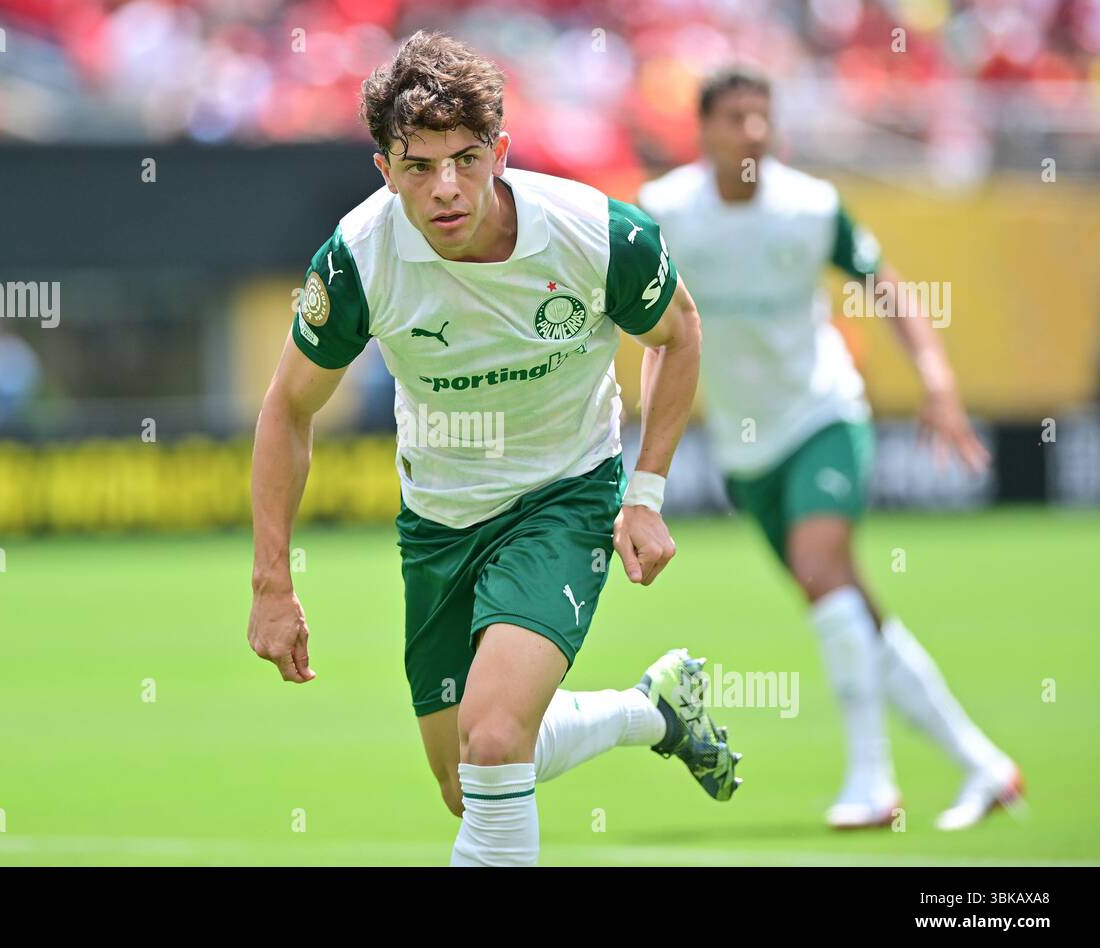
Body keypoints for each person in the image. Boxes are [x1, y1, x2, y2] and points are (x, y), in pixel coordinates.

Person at [247, 32, 740, 867]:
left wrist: (645, 493)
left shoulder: (594, 235)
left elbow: (678, 332)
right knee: (464, 780)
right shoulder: (360, 259)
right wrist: (271, 584)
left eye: (467, 160)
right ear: (383, 168)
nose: (445, 189)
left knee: (496, 738)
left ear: (501, 152)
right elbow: (287, 409)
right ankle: (652, 711)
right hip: (439, 520)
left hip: (564, 497)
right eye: (418, 166)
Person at [638, 66, 1021, 830]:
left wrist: (938, 383)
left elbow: (889, 289)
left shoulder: (811, 206)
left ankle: (872, 783)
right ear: (704, 129)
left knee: (822, 575)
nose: (752, 131)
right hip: (749, 452)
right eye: (735, 117)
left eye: (762, 115)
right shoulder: (663, 212)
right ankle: (984, 765)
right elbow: (655, 332)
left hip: (823, 415)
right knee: (846, 605)